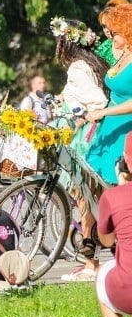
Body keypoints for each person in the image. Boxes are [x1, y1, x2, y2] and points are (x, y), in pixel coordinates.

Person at [50, 17, 108, 280]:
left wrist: (81, 114)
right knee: (89, 199)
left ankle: (90, 263)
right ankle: (93, 258)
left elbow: (97, 100)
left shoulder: (76, 68)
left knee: (84, 199)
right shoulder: (91, 64)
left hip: (84, 138)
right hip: (91, 135)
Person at [86, 4, 132, 187]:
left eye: (115, 31)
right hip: (109, 126)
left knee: (118, 186)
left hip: (126, 130)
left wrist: (104, 112)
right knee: (92, 182)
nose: (110, 34)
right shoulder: (123, 54)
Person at [94, 131, 132, 317]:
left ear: (125, 162)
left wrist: (120, 186)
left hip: (126, 293)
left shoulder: (113, 197)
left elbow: (107, 241)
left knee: (104, 270)